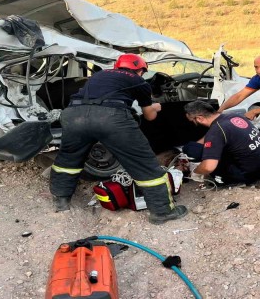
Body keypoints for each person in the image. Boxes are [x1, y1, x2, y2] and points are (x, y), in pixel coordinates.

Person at [49, 54, 187, 225]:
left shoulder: (100, 75)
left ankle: (61, 201)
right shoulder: (139, 82)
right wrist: (156, 106)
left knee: (68, 159)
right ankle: (162, 212)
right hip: (111, 118)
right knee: (144, 165)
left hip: (73, 115)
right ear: (140, 69)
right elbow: (149, 116)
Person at [183, 100, 260, 186]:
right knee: (192, 148)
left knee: (214, 170)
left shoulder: (216, 132)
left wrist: (196, 172)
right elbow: (211, 135)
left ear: (199, 118)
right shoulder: (232, 116)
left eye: (193, 121)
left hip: (252, 173)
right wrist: (197, 145)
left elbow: (208, 167)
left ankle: (234, 181)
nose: (194, 123)